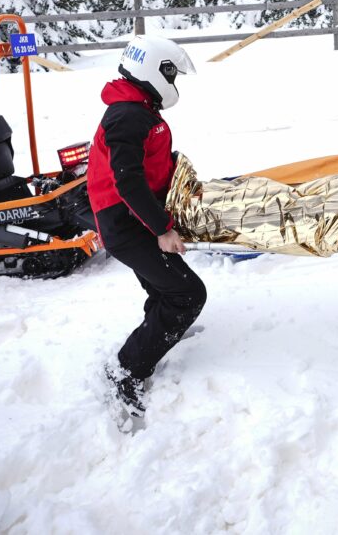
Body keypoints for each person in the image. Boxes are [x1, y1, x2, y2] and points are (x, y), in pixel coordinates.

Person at [88, 34, 205, 431]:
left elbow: (146, 163)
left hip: (134, 218)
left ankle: (158, 336)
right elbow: (127, 180)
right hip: (125, 223)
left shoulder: (138, 107)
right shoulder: (127, 114)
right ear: (155, 69)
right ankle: (126, 369)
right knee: (188, 294)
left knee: (164, 287)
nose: (174, 83)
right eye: (172, 74)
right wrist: (162, 229)